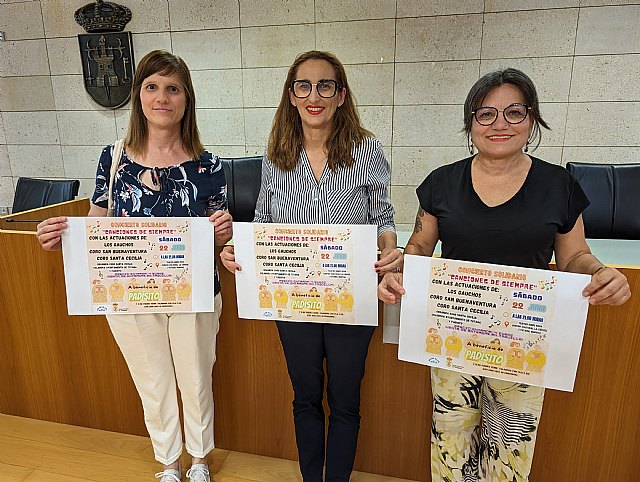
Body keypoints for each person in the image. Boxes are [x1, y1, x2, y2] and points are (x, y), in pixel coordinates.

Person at [378, 68, 631, 482]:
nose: (500, 124)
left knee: (510, 447)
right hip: (453, 332)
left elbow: (575, 257)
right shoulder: (442, 183)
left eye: (514, 112)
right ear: (470, 123)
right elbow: (421, 246)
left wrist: (601, 272)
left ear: (532, 120)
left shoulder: (559, 185)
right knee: (451, 439)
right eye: (486, 114)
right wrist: (399, 270)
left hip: (523, 339)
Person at [35, 50, 232, 482]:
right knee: (152, 380)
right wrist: (61, 238)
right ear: (139, 96)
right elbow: (97, 222)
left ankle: (199, 459)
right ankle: (168, 463)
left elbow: (221, 232)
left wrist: (223, 231)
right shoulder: (113, 159)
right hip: (130, 292)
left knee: (196, 378)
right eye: (152, 87)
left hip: (194, 290)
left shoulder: (208, 164)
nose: (162, 97)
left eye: (173, 88)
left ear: (187, 99)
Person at [220, 50, 401, 482]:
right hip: (293, 298)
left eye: (325, 86)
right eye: (304, 86)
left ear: (341, 95)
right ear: (292, 95)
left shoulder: (368, 149)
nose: (314, 95)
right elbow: (263, 220)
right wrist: (237, 250)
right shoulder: (277, 155)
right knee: (304, 396)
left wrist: (391, 252)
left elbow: (384, 217)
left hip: (352, 296)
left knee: (344, 400)